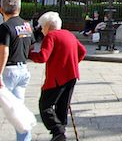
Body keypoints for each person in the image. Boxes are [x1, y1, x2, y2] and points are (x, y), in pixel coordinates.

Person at [28, 11, 86, 141]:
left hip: (57, 78)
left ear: (47, 26)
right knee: (62, 106)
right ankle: (60, 134)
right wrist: (72, 64)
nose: (42, 30)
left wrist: (29, 54)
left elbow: (43, 57)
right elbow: (82, 51)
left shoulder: (51, 36)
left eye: (42, 27)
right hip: (72, 75)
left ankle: (57, 131)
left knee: (45, 106)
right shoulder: (69, 34)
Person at [0, 0, 35, 141]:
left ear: (1, 9)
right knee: (18, 111)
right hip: (22, 70)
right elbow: (31, 44)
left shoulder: (5, 27)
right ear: (19, 8)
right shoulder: (26, 25)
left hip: (8, 71)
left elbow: (4, 51)